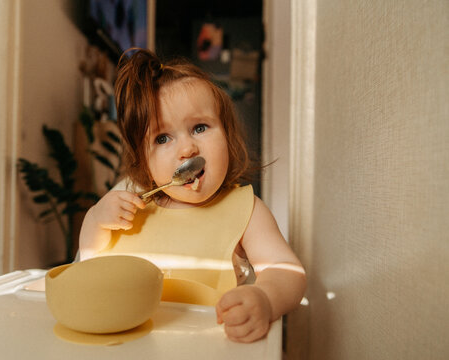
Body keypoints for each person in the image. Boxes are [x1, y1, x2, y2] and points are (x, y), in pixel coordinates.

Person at [79, 48, 306, 343]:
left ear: (227, 134)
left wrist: (265, 298)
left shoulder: (246, 210)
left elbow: (287, 272)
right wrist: (96, 220)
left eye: (200, 128)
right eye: (163, 138)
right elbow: (87, 263)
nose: (187, 149)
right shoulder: (129, 199)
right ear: (142, 160)